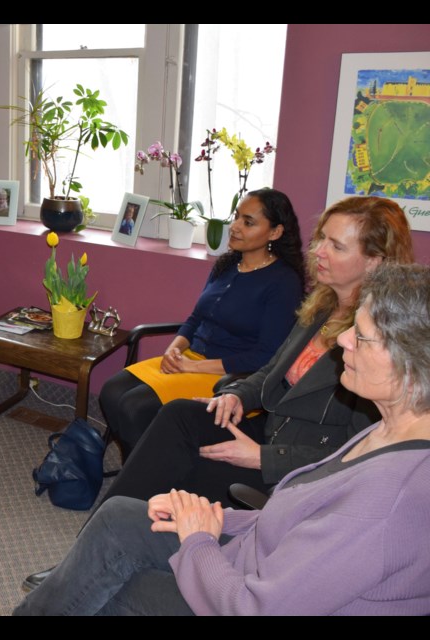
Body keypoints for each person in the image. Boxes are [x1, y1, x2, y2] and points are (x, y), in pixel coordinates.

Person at [22, 196, 413, 592]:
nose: (319, 252)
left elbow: (357, 456)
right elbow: (269, 373)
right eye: (321, 240)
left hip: (294, 470)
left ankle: (109, 561)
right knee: (179, 416)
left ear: (376, 261)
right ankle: (84, 552)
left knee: (182, 471)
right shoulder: (323, 307)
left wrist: (262, 456)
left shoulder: (379, 348)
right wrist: (239, 396)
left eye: (336, 246)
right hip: (268, 436)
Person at [102, 188, 305, 459]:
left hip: (230, 377)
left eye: (248, 222)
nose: (234, 227)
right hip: (192, 359)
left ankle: (152, 475)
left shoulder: (283, 283)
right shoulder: (226, 266)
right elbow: (196, 319)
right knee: (111, 392)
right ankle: (144, 466)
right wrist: (174, 349)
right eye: (236, 217)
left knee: (133, 406)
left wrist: (191, 366)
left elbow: (264, 357)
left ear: (275, 232)